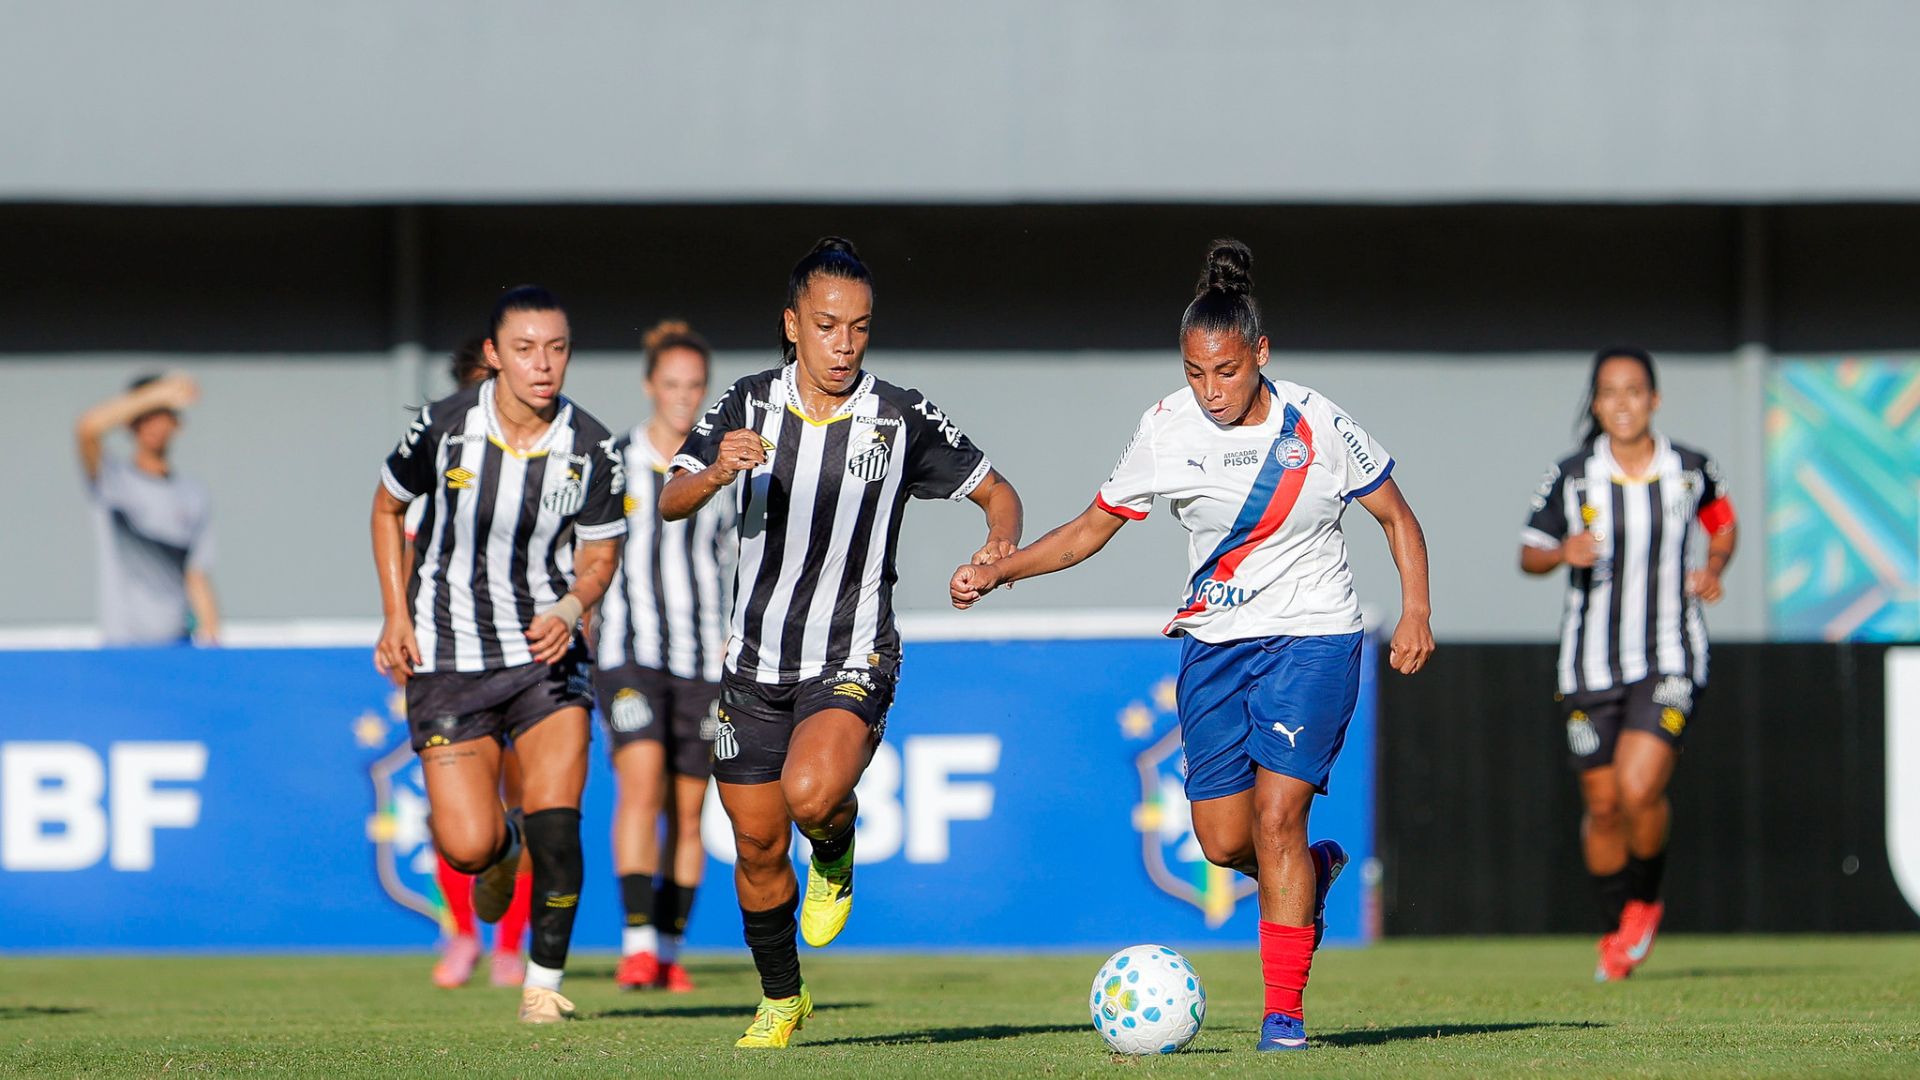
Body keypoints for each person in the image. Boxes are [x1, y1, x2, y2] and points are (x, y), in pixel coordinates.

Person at [949, 239, 1433, 1052]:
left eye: (1227, 372)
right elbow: (1090, 529)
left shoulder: (1317, 422)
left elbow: (1398, 516)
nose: (1211, 390)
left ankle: (1284, 1016)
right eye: (1196, 372)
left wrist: (1416, 609)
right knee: (1223, 840)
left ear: (1261, 355)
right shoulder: (1166, 428)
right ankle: (1311, 874)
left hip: (1313, 637)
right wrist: (1003, 571)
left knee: (1278, 816)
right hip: (1215, 645)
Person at [660, 237, 1023, 1047]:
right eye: (827, 326)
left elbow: (999, 491)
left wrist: (997, 547)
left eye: (859, 327)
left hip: (852, 652)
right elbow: (670, 498)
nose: (845, 344)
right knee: (756, 847)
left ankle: (834, 844)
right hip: (753, 664)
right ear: (793, 325)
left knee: (811, 794)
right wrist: (715, 473)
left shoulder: (899, 416)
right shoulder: (746, 403)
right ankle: (782, 998)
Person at [371, 286, 627, 1023]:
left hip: (546, 656)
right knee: (466, 845)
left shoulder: (592, 447)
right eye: (525, 349)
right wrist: (395, 616)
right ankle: (501, 848)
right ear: (493, 355)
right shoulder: (443, 429)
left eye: (556, 349)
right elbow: (387, 507)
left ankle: (543, 985)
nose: (543, 365)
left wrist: (572, 607)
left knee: (559, 822)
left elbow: (601, 555)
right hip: (449, 657)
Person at [1519, 346, 1735, 982]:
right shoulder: (1573, 475)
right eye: (1610, 392)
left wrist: (1713, 567)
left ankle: (1645, 900)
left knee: (1640, 788)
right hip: (1588, 666)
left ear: (1654, 399)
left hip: (1670, 655)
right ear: (1596, 404)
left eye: (1634, 391)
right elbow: (1529, 551)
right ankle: (1617, 928)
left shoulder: (1690, 469)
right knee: (1605, 804)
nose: (1622, 403)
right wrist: (1562, 552)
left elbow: (1723, 524)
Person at [595, 319, 735, 993]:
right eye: (672, 383)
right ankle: (637, 945)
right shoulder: (613, 459)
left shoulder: (723, 467)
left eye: (694, 385)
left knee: (687, 809)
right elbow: (587, 549)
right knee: (640, 784)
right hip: (629, 650)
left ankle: (670, 950)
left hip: (704, 658)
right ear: (651, 385)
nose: (683, 396)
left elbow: (741, 559)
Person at [410, 336, 537, 991]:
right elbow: (407, 552)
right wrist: (398, 629)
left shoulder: (547, 458)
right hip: (447, 659)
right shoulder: (433, 463)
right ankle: (461, 934)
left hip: (523, 657)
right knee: (454, 813)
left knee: (520, 805)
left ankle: (509, 946)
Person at [74, 372, 220, 645]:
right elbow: (88, 428)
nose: (152, 425)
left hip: (178, 647)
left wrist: (212, 638)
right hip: (122, 646)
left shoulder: (193, 495)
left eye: (160, 415)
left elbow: (197, 575)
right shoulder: (113, 480)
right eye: (143, 416)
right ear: (129, 423)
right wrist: (158, 393)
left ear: (177, 423)